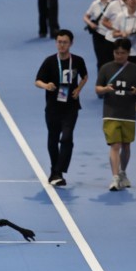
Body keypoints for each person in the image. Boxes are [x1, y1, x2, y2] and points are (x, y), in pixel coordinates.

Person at [35, 29, 89, 186]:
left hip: (71, 107)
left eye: (65, 42)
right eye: (59, 42)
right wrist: (47, 85)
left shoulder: (77, 61)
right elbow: (37, 81)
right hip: (53, 107)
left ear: (71, 43)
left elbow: (85, 76)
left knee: (66, 137)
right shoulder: (50, 61)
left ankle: (59, 169)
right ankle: (55, 172)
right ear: (56, 43)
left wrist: (78, 89)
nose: (62, 45)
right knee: (53, 137)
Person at [94, 38, 136, 189]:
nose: (119, 56)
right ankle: (115, 177)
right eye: (116, 53)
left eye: (122, 53)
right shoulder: (106, 68)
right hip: (110, 112)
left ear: (129, 53)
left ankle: (123, 173)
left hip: (128, 113)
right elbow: (98, 88)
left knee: (126, 145)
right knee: (115, 145)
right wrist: (105, 90)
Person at [85, 0, 117, 73]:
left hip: (111, 35)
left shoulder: (115, 4)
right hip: (98, 34)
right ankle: (101, 81)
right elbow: (86, 16)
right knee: (100, 59)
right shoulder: (95, 3)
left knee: (110, 59)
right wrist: (91, 24)